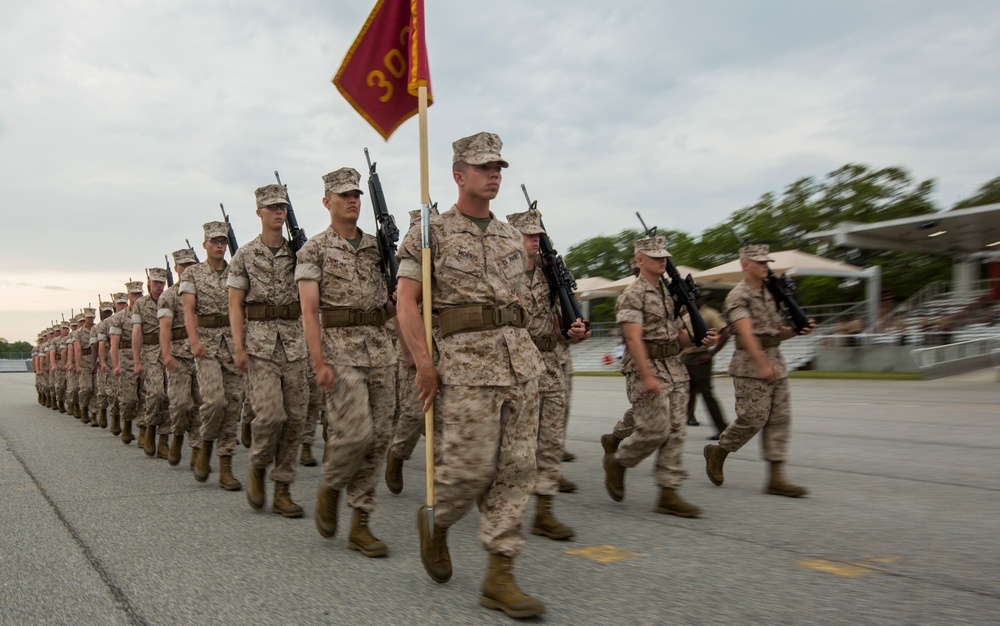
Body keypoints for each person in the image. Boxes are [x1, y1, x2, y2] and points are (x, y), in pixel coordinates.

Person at [396, 131, 546, 618]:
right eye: (484, 167)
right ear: (459, 175)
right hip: (464, 368)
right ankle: (438, 521)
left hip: (519, 364)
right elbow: (406, 301)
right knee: (468, 470)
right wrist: (423, 362)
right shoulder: (430, 233)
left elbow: (517, 302)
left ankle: (499, 574)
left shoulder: (508, 235)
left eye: (499, 166)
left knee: (518, 467)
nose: (495, 174)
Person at [296, 166, 396, 556]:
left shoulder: (377, 246)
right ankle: (332, 484)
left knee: (380, 439)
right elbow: (308, 311)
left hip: (380, 350)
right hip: (338, 351)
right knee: (355, 434)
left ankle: (361, 523)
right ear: (327, 202)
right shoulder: (313, 249)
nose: (353, 200)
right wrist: (318, 361)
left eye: (356, 195)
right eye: (344, 195)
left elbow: (388, 305)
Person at [600, 236, 718, 518]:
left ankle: (669, 492)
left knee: (677, 432)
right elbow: (632, 338)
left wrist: (698, 340)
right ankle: (619, 462)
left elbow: (676, 334)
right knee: (655, 431)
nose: (662, 260)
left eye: (664, 256)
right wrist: (647, 376)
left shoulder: (667, 292)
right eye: (655, 257)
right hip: (647, 366)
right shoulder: (632, 294)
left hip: (673, 365)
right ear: (640, 260)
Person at [704, 244, 815, 497]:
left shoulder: (770, 294)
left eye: (767, 262)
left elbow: (774, 333)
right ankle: (718, 451)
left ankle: (776, 478)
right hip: (749, 364)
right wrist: (762, 364)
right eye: (760, 263)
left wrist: (797, 329)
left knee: (780, 420)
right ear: (745, 265)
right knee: (752, 419)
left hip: (776, 360)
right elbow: (745, 332)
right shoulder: (737, 296)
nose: (766, 266)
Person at [507, 209, 588, 541]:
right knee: (516, 446)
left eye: (537, 234)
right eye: (528, 234)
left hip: (550, 363)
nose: (534, 239)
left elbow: (558, 326)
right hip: (514, 365)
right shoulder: (498, 274)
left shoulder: (548, 276)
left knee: (551, 442)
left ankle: (544, 512)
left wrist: (573, 331)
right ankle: (507, 511)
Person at [228, 184, 309, 518]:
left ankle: (283, 489)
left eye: (283, 207)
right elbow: (234, 305)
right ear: (259, 212)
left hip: (294, 343)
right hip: (260, 344)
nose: (279, 212)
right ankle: (259, 466)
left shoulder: (300, 253)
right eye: (272, 207)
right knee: (271, 415)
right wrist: (238, 346)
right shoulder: (244, 255)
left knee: (296, 419)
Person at [182, 221, 245, 489]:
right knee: (214, 401)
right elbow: (188, 311)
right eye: (214, 241)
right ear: (205, 244)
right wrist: (194, 341)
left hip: (232, 344)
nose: (219, 245)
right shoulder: (192, 274)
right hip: (206, 345)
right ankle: (206, 443)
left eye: (223, 241)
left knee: (233, 405)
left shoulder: (237, 272)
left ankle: (226, 466)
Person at [159, 248, 203, 468]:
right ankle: (177, 435)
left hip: (202, 354)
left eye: (191, 265)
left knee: (200, 404)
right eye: (183, 265)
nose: (187, 269)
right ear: (176, 268)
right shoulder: (168, 296)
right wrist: (166, 354)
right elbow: (165, 328)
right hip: (178, 356)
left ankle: (196, 448)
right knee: (181, 404)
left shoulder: (203, 291)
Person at [133, 267, 171, 459]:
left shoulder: (171, 299)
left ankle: (164, 441)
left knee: (170, 397)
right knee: (156, 393)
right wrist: (137, 360)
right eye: (155, 282)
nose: (159, 286)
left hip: (171, 353)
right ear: (149, 282)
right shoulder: (140, 304)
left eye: (161, 282)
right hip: (150, 354)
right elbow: (137, 333)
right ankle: (148, 427)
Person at [681, 293, 730, 437]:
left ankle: (722, 429)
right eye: (692, 297)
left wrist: (711, 354)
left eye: (697, 297)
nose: (695, 300)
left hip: (699, 357)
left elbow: (725, 332)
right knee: (685, 392)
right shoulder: (687, 314)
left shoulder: (709, 314)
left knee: (707, 394)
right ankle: (684, 421)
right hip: (686, 356)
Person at [110, 281, 144, 445]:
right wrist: (115, 365)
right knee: (129, 398)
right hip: (126, 358)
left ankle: (144, 431)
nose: (137, 297)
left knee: (147, 396)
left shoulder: (148, 312)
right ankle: (127, 424)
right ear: (128, 295)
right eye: (134, 294)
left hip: (146, 357)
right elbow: (114, 344)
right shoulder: (119, 318)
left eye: (140, 294)